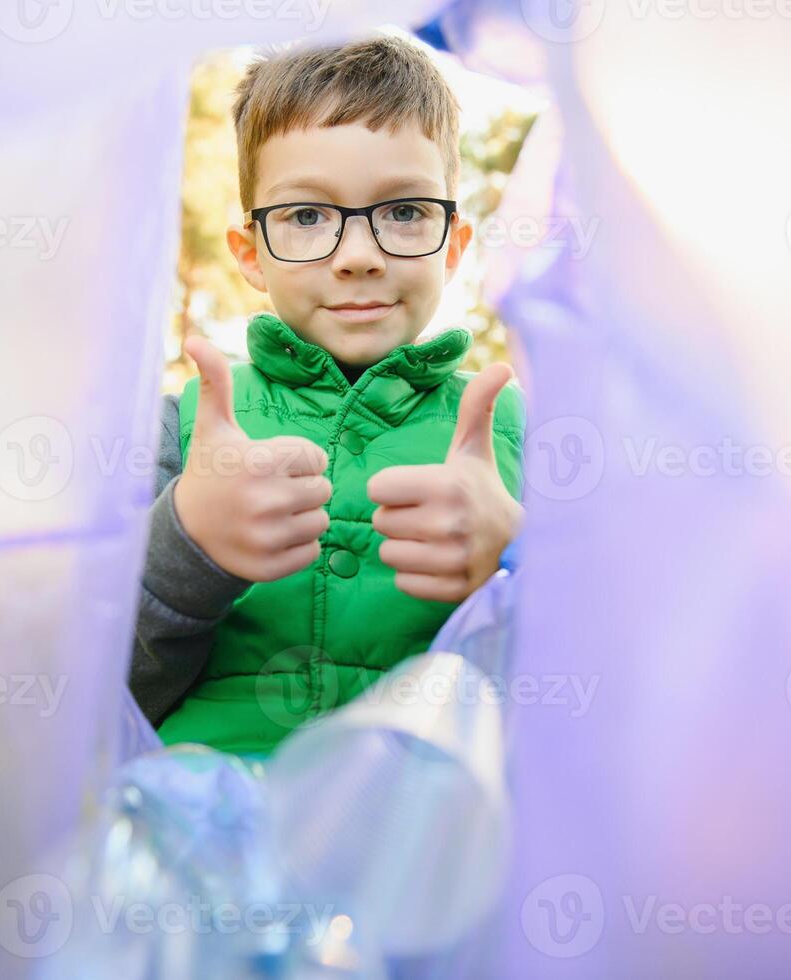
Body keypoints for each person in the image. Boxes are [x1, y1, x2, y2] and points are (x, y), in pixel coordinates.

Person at [129, 34, 526, 758]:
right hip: (204, 844)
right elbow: (88, 706)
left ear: (453, 245)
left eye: (404, 211)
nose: (358, 255)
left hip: (422, 845)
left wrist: (513, 565)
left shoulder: (522, 437)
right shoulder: (174, 434)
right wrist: (187, 545)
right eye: (307, 216)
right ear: (249, 253)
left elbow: (600, 718)